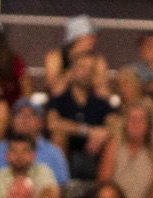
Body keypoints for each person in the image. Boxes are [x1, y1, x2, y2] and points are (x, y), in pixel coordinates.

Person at [47, 53, 115, 185]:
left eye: (91, 69)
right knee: (58, 135)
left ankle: (103, 190)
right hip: (67, 153)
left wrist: (104, 133)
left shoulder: (101, 103)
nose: (87, 72)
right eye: (82, 67)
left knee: (113, 140)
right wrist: (88, 131)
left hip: (94, 156)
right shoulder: (59, 100)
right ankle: (60, 187)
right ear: (72, 71)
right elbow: (52, 123)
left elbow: (116, 123)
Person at [97, 101, 153, 198]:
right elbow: (104, 183)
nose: (135, 124)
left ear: (148, 125)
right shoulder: (113, 146)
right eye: (131, 119)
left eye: (140, 120)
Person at [0, 133, 60, 198]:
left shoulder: (42, 171)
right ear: (6, 155)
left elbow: (52, 195)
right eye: (14, 151)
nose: (19, 156)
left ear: (33, 155)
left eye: (25, 151)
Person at [44, 14, 111, 100]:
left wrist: (87, 76)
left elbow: (104, 92)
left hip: (90, 105)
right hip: (61, 104)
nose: (94, 40)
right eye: (89, 36)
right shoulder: (56, 57)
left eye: (94, 36)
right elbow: (53, 89)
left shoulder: (98, 60)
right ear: (76, 37)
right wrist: (73, 74)